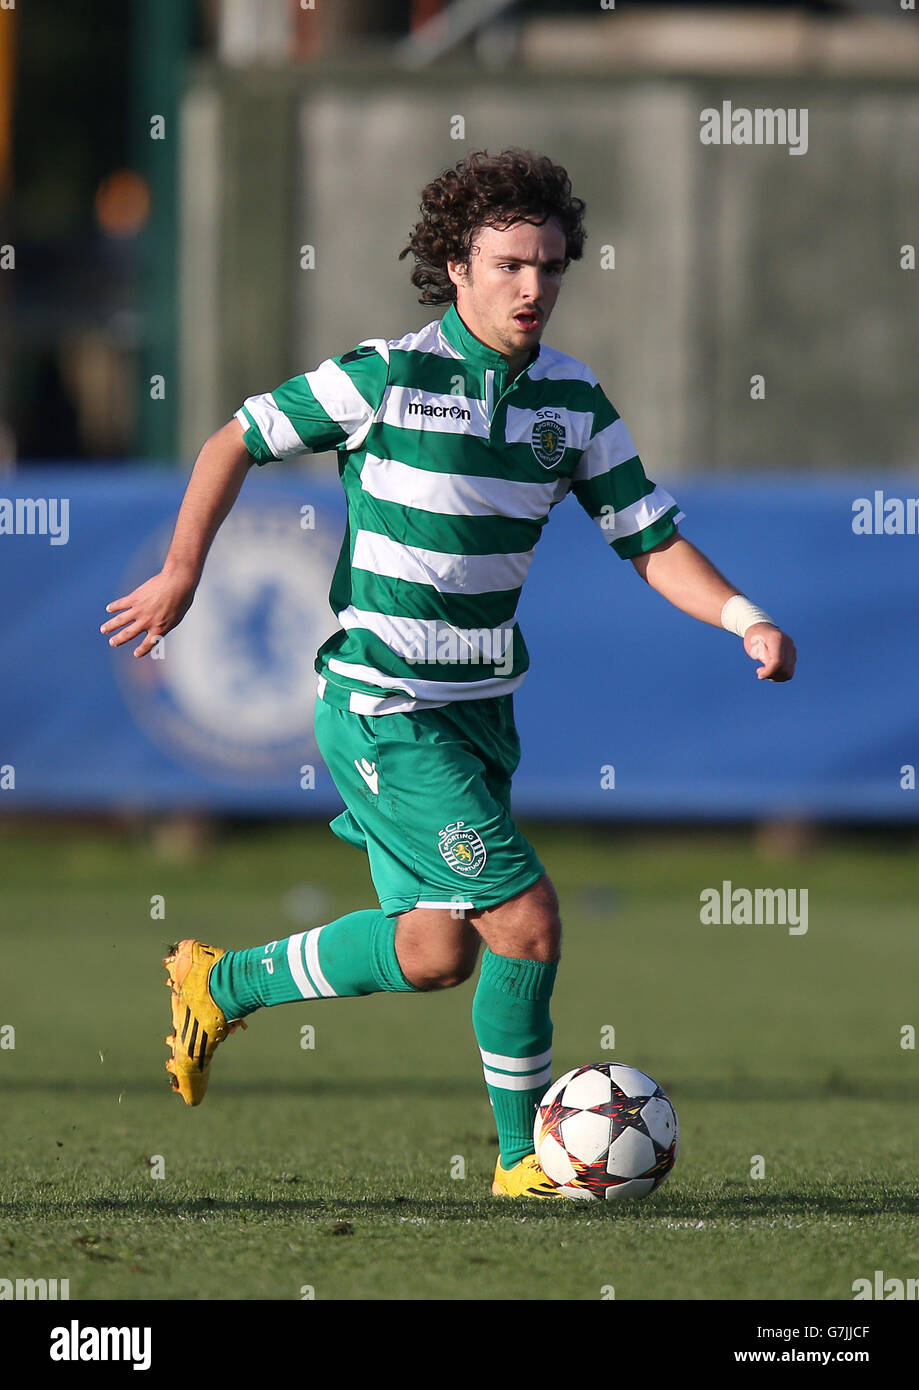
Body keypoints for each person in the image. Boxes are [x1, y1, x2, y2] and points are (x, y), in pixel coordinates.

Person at [100, 149, 796, 1198]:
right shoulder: (386, 375)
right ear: (456, 266)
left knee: (435, 950)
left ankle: (220, 980)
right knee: (526, 919)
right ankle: (524, 1160)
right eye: (511, 264)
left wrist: (744, 616)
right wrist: (183, 572)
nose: (533, 287)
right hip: (385, 710)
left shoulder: (573, 402)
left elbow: (650, 540)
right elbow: (233, 439)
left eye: (552, 266)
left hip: (479, 715)